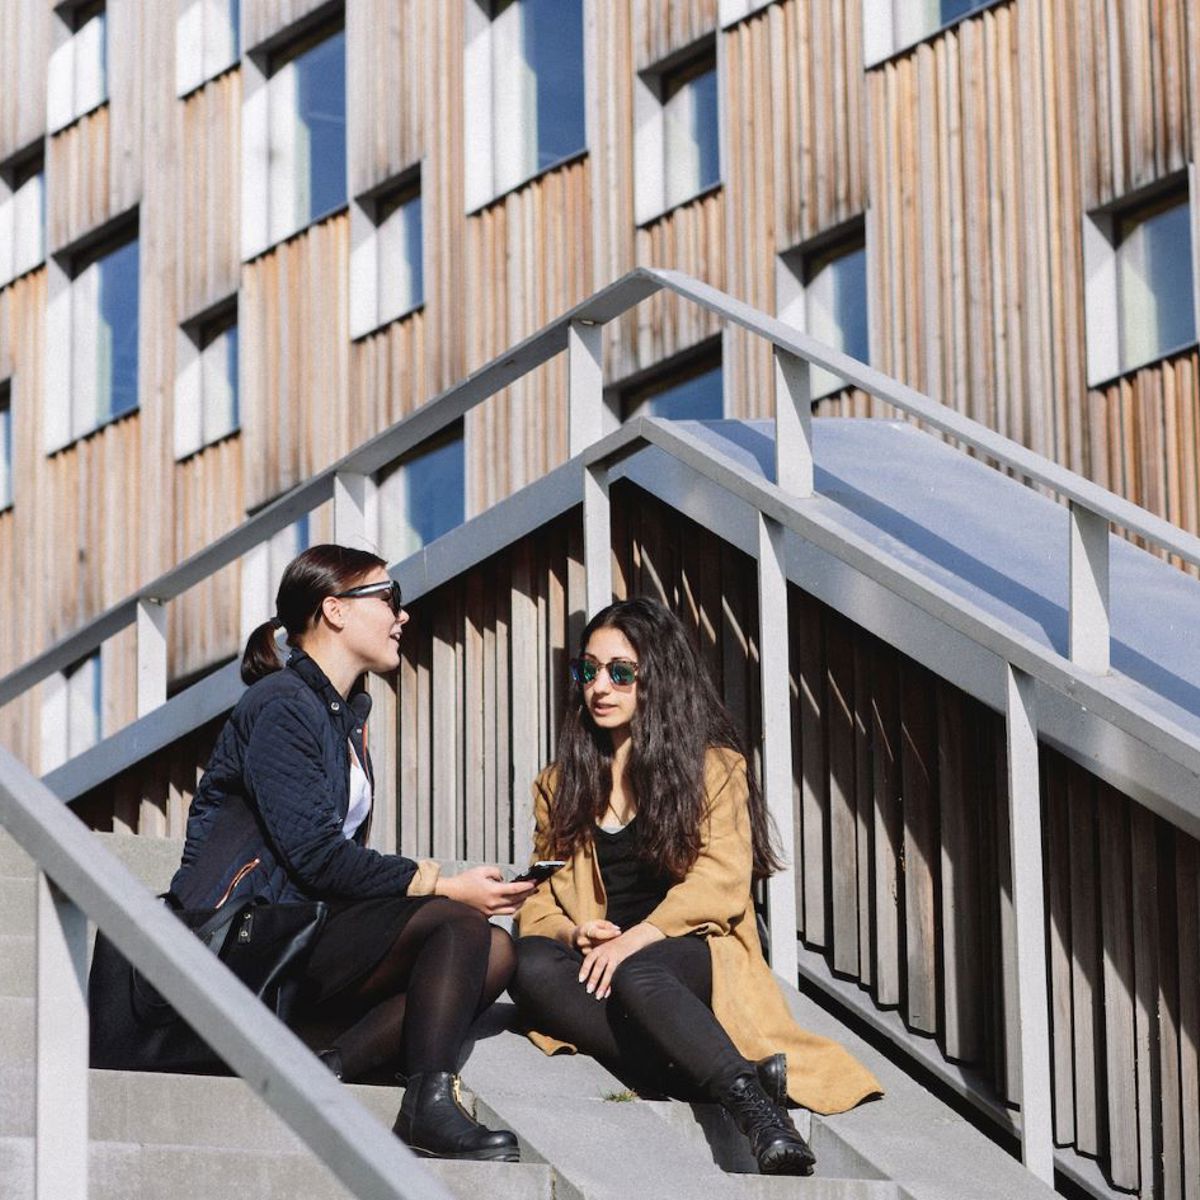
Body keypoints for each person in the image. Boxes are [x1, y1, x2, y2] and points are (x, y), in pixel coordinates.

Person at [168, 544, 535, 1161]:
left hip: (303, 932)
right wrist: (442, 883)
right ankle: (427, 1105)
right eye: (389, 597)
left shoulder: (339, 716)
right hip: (246, 940)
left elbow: (329, 867)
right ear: (334, 610)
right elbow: (317, 858)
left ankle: (332, 1068)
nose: (403, 615)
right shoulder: (282, 704)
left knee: (495, 949)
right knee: (458, 923)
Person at [510, 598, 882, 1176]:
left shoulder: (714, 768)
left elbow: (722, 882)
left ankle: (754, 1109)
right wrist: (573, 929)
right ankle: (715, 1071)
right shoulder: (560, 784)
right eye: (588, 670)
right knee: (528, 962)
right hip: (605, 967)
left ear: (658, 678)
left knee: (640, 969)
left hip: (689, 955)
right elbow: (537, 896)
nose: (600, 687)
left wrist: (633, 940)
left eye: (621, 672)